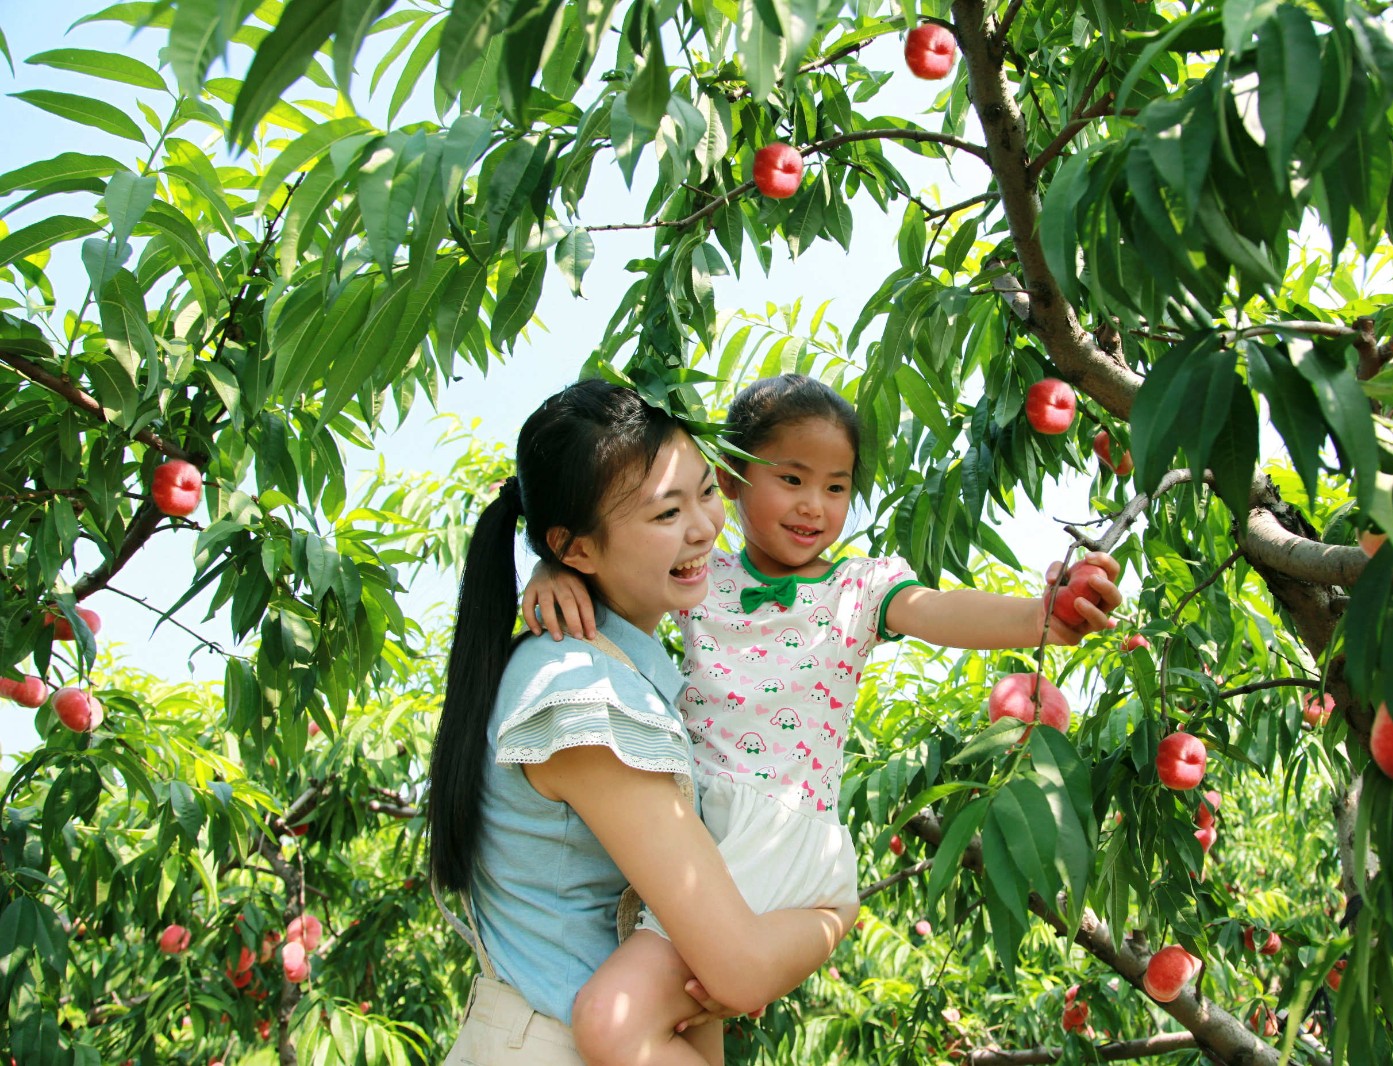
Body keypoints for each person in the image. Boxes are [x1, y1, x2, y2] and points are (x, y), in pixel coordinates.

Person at [522, 374, 1123, 1065]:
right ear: (731, 480)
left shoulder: (855, 588)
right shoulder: (699, 572)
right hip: (700, 835)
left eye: (836, 487)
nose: (815, 506)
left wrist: (1039, 616)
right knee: (681, 1037)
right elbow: (612, 550)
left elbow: (933, 610)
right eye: (792, 478)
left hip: (771, 837)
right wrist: (549, 572)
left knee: (612, 1023)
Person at [429, 379, 857, 1066]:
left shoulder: (615, 669)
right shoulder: (583, 700)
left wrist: (553, 561)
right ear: (578, 549)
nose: (704, 528)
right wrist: (834, 914)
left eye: (707, 493)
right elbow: (740, 967)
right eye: (666, 515)